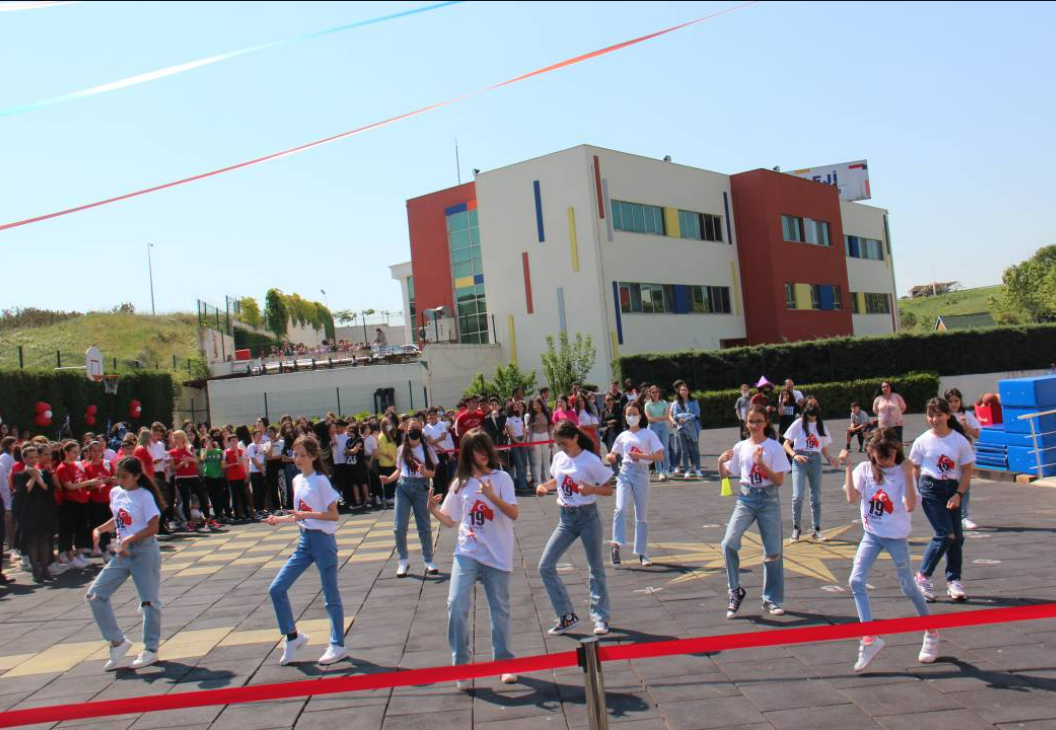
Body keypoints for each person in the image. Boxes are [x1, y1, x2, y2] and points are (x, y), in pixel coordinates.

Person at [428, 429, 519, 690]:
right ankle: (462, 666)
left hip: (497, 552)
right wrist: (433, 510)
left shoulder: (501, 478)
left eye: (484, 448)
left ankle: (504, 662)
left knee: (499, 608)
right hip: (467, 551)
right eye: (475, 450)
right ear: (467, 454)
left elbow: (513, 513)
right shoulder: (461, 483)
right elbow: (450, 519)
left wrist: (491, 496)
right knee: (456, 603)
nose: (482, 454)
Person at [841, 432, 938, 671]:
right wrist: (848, 466)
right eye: (881, 455)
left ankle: (931, 631)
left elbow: (910, 505)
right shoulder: (865, 470)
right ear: (871, 453)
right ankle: (869, 639)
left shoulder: (901, 472)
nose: (886, 460)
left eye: (891, 455)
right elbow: (852, 498)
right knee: (856, 580)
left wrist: (908, 474)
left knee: (908, 586)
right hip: (872, 535)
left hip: (896, 538)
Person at [266, 436, 347, 666]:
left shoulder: (321, 481)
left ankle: (338, 645)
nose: (297, 459)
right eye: (295, 454)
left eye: (302, 455)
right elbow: (299, 514)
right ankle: (293, 637)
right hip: (304, 541)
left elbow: (333, 515)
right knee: (276, 588)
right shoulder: (296, 480)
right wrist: (278, 520)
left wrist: (307, 515)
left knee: (330, 595)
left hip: (323, 542)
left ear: (313, 456)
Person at [536, 420, 614, 636]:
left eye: (565, 443)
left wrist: (592, 490)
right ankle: (566, 616)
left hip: (588, 516)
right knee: (545, 566)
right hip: (566, 519)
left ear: (576, 437)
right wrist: (543, 486)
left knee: (595, 568)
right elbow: (557, 481)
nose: (562, 448)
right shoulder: (559, 458)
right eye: (559, 444)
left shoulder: (590, 460)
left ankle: (600, 617)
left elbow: (608, 490)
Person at [86, 457, 164, 671]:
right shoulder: (116, 492)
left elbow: (153, 527)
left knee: (149, 601)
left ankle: (151, 649)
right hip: (123, 552)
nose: (120, 480)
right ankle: (117, 642)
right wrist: (99, 529)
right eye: (117, 476)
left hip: (144, 551)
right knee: (95, 595)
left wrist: (130, 539)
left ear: (137, 476)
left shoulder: (144, 495)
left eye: (124, 477)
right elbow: (120, 519)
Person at [718, 405, 792, 618]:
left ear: (766, 422)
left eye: (759, 421)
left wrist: (762, 463)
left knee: (773, 552)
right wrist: (720, 462)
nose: (755, 425)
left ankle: (771, 598)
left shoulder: (774, 447)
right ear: (746, 423)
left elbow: (778, 480)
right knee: (728, 543)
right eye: (751, 421)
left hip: (768, 499)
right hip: (746, 498)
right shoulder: (740, 447)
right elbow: (727, 474)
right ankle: (734, 591)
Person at [911, 398, 975, 603]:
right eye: (930, 415)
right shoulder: (922, 440)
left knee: (957, 537)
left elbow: (967, 470)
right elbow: (914, 468)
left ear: (948, 415)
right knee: (945, 534)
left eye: (939, 415)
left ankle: (953, 580)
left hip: (952, 489)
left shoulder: (959, 440)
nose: (935, 419)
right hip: (930, 488)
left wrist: (958, 494)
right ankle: (923, 577)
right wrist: (914, 492)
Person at [607, 403, 664, 567]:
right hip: (625, 472)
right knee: (620, 508)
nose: (632, 416)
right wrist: (610, 457)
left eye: (634, 413)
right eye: (629, 414)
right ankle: (616, 545)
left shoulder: (648, 434)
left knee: (641, 516)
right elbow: (613, 453)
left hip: (642, 472)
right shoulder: (623, 435)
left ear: (640, 415)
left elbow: (660, 456)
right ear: (625, 417)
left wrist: (641, 456)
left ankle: (642, 552)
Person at [381, 418, 439, 578]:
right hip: (403, 487)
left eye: (417, 428)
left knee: (424, 526)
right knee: (399, 526)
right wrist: (388, 479)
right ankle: (403, 560)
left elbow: (433, 473)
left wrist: (424, 472)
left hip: (421, 487)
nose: (414, 431)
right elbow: (399, 470)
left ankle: (428, 560)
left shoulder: (427, 449)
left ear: (421, 431)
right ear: (406, 431)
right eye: (411, 428)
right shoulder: (401, 449)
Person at [783, 398, 840, 543]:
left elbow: (823, 446)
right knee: (797, 496)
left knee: (816, 496)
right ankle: (796, 528)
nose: (814, 407)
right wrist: (794, 455)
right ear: (805, 408)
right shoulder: (798, 423)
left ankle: (817, 529)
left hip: (815, 460)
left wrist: (830, 458)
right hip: (800, 459)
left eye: (816, 405)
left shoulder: (821, 425)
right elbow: (786, 443)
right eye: (811, 405)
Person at [13, 444, 58, 583]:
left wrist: (40, 478)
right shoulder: (20, 475)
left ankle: (45, 569)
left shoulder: (44, 473)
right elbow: (23, 493)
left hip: (44, 510)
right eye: (30, 457)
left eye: (35, 457)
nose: (33, 460)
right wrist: (33, 477)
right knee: (32, 540)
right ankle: (35, 570)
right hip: (29, 512)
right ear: (24, 459)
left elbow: (49, 490)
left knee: (45, 539)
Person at [55, 441, 99, 567]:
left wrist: (93, 484)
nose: (76, 454)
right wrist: (89, 482)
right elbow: (69, 486)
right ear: (66, 452)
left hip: (82, 500)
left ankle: (79, 554)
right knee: (69, 530)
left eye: (77, 452)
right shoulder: (63, 467)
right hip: (71, 502)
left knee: (81, 529)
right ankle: (69, 556)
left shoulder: (77, 465)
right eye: (74, 452)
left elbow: (82, 481)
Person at [945, 388, 981, 530]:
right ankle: (950, 514)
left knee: (964, 484)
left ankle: (963, 516)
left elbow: (977, 434)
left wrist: (965, 425)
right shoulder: (944, 415)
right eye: (950, 401)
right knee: (948, 484)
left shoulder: (966, 415)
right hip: (947, 455)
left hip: (964, 454)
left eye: (956, 400)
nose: (953, 404)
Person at [170, 430, 210, 532]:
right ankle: (189, 522)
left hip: (193, 475)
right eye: (174, 438)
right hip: (181, 477)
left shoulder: (189, 448)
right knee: (185, 499)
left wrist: (189, 459)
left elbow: (197, 461)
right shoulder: (172, 452)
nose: (175, 439)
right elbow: (173, 468)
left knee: (201, 495)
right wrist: (181, 463)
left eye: (177, 437)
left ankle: (208, 518)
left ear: (182, 438)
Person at [670, 383, 702, 478]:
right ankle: (687, 471)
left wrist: (686, 418)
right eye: (681, 390)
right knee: (684, 450)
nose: (683, 392)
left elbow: (697, 415)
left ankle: (698, 469)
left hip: (693, 429)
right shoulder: (676, 403)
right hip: (681, 428)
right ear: (679, 392)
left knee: (695, 450)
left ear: (688, 391)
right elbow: (675, 416)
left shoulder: (694, 401)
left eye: (685, 390)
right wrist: (683, 417)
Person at [644, 385, 672, 481]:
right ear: (650, 393)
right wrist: (660, 418)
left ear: (659, 393)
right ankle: (660, 471)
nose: (655, 394)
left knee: (665, 449)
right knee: (656, 450)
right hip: (653, 428)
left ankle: (666, 470)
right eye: (653, 392)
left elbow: (666, 416)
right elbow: (649, 419)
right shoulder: (647, 404)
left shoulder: (663, 403)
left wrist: (655, 418)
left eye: (657, 392)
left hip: (663, 427)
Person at [424, 408, 455, 496]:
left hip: (442, 453)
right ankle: (438, 494)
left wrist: (434, 442)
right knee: (435, 475)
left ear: (437, 415)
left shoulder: (441, 424)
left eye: (433, 414)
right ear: (427, 416)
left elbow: (443, 436)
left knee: (444, 473)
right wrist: (439, 447)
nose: (432, 416)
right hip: (433, 454)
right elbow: (428, 439)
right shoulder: (426, 427)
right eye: (430, 415)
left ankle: (445, 493)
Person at [525, 397, 552, 488]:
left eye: (538, 404)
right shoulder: (530, 416)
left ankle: (548, 481)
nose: (536, 406)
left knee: (547, 461)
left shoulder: (546, 414)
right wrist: (531, 442)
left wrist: (551, 439)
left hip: (546, 436)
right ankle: (538, 482)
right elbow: (530, 431)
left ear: (541, 405)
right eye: (534, 405)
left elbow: (550, 427)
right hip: (535, 437)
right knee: (537, 462)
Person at [505, 400, 529, 494]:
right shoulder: (508, 419)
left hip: (522, 440)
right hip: (514, 442)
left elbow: (523, 430)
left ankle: (523, 481)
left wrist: (523, 440)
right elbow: (510, 433)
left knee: (524, 462)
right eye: (514, 406)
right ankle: (522, 485)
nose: (516, 407)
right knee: (519, 463)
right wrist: (518, 442)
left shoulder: (519, 417)